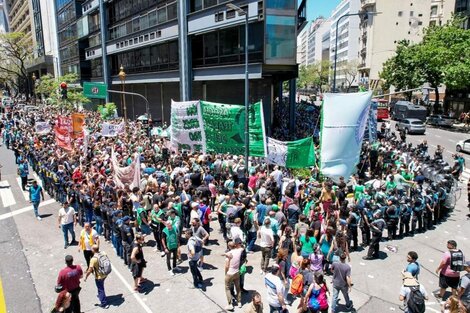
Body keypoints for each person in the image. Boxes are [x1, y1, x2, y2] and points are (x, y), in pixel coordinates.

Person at [224, 239, 244, 311]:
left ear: (229, 246)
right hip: (237, 272)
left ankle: (230, 304)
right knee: (238, 288)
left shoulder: (229, 254)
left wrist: (226, 273)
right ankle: (239, 302)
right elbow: (242, 247)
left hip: (230, 273)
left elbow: (226, 266)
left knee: (227, 288)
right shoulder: (239, 251)